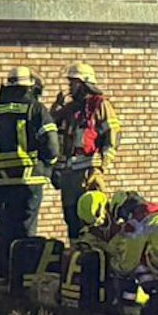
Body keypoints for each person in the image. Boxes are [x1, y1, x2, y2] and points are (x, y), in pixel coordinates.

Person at [0, 68, 57, 280]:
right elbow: (51, 147)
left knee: (4, 226)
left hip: (2, 180)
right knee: (25, 228)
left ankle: (1, 270)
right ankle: (22, 274)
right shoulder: (35, 109)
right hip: (29, 179)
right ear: (29, 86)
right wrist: (50, 165)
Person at [79, 190, 158, 315]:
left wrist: (113, 262)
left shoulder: (135, 224)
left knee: (137, 258)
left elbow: (126, 265)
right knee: (157, 249)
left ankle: (156, 296)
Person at [51, 62, 119, 239]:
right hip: (68, 174)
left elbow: (112, 137)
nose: (70, 87)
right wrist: (56, 109)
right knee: (71, 218)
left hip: (87, 173)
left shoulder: (100, 105)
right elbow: (56, 135)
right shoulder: (68, 109)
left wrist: (100, 167)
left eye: (73, 83)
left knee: (90, 216)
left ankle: (93, 255)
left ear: (85, 83)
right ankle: (77, 253)